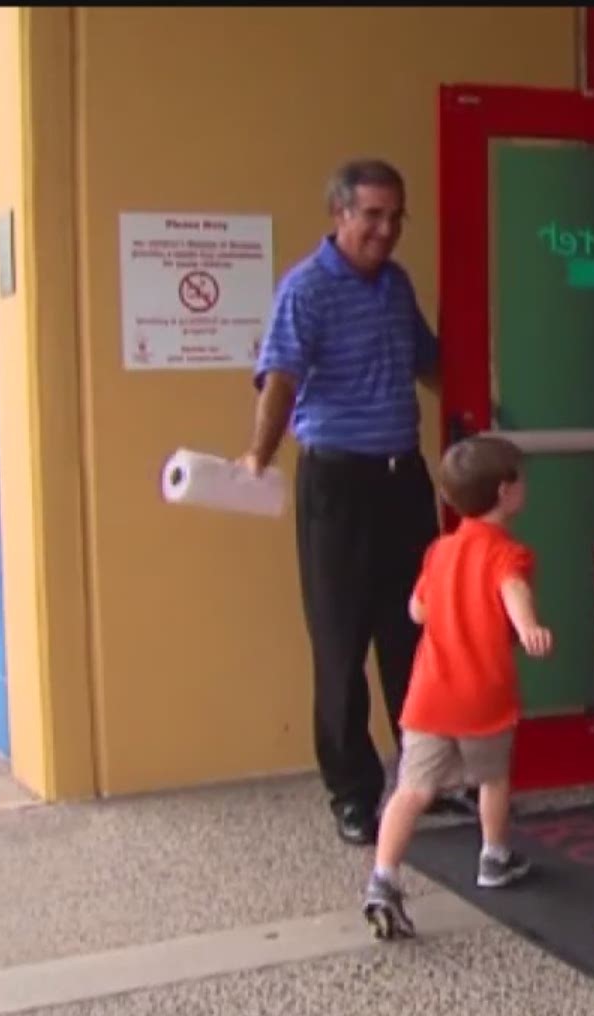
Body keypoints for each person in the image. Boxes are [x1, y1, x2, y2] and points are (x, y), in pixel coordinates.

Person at [240, 158, 467, 845]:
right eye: (372, 215)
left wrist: (484, 407)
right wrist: (258, 455)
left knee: (412, 640)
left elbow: (430, 363)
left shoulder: (396, 286)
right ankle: (352, 794)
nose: (386, 229)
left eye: (396, 215)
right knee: (340, 646)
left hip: (403, 482)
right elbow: (280, 378)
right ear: (339, 215)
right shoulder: (306, 289)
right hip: (336, 487)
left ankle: (421, 781)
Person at [362, 435, 552, 938]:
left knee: (411, 790)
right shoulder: (508, 553)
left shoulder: (440, 551)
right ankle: (493, 856)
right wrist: (529, 625)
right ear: (507, 493)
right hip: (482, 696)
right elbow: (511, 590)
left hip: (428, 696)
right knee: (491, 778)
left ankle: (383, 878)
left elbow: (416, 610)